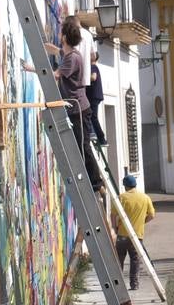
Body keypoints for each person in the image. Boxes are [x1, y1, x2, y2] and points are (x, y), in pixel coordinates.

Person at [24, 17, 105, 192]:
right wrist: (43, 45)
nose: (59, 35)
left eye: (61, 33)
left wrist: (31, 68)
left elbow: (56, 74)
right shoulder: (70, 54)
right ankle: (93, 181)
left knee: (82, 145)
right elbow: (57, 52)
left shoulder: (72, 59)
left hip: (78, 109)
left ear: (65, 38)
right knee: (79, 144)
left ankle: (95, 183)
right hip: (76, 107)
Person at [112, 174, 155, 290]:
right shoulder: (145, 198)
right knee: (135, 260)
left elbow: (113, 215)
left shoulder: (121, 198)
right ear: (135, 185)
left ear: (125, 186)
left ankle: (118, 285)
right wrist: (142, 222)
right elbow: (151, 215)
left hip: (122, 235)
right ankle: (134, 284)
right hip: (137, 236)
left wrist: (115, 228)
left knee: (119, 258)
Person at [87, 51, 107, 146]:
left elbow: (93, 77)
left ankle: (100, 137)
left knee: (92, 116)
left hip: (93, 95)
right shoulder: (92, 67)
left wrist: (83, 78)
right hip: (94, 95)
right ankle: (96, 135)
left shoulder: (93, 67)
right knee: (91, 115)